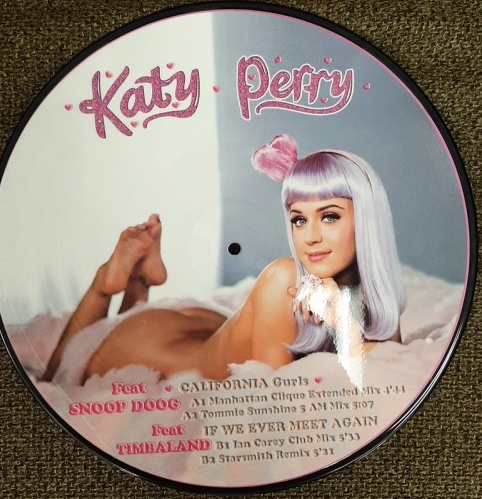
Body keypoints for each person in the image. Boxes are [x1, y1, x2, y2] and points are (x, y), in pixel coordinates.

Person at [43, 135, 404, 384]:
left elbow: (394, 367)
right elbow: (277, 398)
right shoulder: (284, 279)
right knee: (60, 371)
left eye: (329, 216)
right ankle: (106, 282)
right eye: (298, 219)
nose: (309, 236)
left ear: (367, 219)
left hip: (206, 325)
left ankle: (140, 277)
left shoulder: (372, 295)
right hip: (151, 344)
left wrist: (342, 318)